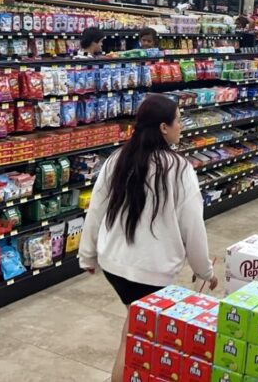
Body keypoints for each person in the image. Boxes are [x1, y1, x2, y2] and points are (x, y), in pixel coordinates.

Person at [79, 95, 217, 382]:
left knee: (136, 322)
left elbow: (96, 210)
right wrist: (205, 271)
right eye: (179, 120)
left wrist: (88, 255)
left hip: (114, 264)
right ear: (164, 127)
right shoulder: (179, 169)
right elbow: (193, 227)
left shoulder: (117, 159)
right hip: (151, 271)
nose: (182, 126)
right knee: (134, 335)